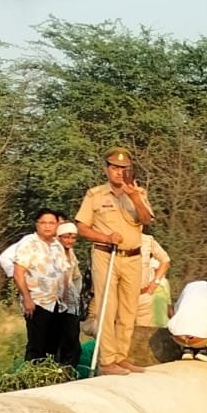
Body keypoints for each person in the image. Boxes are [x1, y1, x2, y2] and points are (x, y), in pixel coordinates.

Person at [75, 146, 155, 375]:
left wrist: (134, 196)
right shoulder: (95, 195)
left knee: (129, 310)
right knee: (107, 309)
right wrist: (105, 237)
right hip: (105, 254)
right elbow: (82, 227)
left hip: (133, 257)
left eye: (124, 168)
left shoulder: (139, 192)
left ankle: (121, 356)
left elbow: (146, 219)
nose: (119, 172)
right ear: (106, 169)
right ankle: (107, 360)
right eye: (114, 167)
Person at [13, 210, 78, 368]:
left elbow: (64, 272)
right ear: (37, 224)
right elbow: (18, 273)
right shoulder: (28, 244)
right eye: (44, 223)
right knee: (37, 346)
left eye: (51, 223)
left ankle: (47, 379)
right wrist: (27, 299)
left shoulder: (58, 245)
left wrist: (66, 299)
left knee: (53, 345)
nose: (48, 226)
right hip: (37, 302)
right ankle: (31, 378)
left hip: (57, 303)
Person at [169, 274, 207, 359]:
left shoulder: (190, 286)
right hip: (200, 340)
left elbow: (176, 309)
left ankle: (187, 349)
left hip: (178, 338)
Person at [56, 221, 85, 369]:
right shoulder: (54, 253)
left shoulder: (71, 255)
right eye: (66, 237)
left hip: (71, 304)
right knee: (61, 340)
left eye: (73, 238)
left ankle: (68, 371)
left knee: (73, 341)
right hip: (57, 302)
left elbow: (76, 277)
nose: (70, 241)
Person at [137, 233, 172, 327]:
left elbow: (165, 260)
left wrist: (155, 282)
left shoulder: (147, 240)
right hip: (122, 295)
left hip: (144, 295)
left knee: (142, 333)